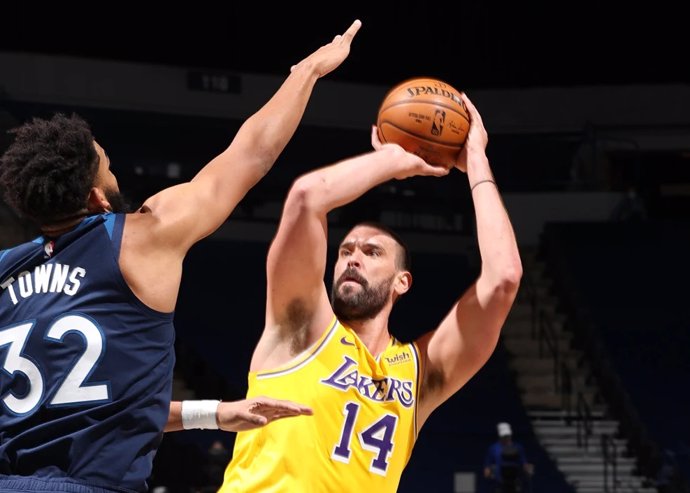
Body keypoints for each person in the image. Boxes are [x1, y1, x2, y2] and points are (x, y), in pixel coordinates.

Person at [0, 19, 362, 493]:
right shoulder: (143, 236)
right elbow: (252, 154)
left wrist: (212, 413)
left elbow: (93, 404)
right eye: (106, 162)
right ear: (96, 199)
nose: (113, 166)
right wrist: (307, 72)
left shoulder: (6, 273)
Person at [220, 93, 522, 492]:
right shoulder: (302, 326)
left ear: (403, 282)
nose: (352, 259)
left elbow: (503, 278)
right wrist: (394, 160)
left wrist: (476, 161)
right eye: (345, 251)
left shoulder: (419, 374)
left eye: (371, 252)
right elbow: (308, 199)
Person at [483, 422, 534, 493]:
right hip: (499, 485)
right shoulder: (493, 448)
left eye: (507, 435)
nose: (506, 438)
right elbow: (487, 470)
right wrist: (490, 473)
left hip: (515, 483)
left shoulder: (518, 447)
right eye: (504, 436)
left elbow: (524, 464)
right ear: (500, 436)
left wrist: (528, 469)